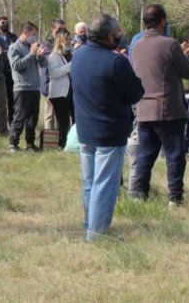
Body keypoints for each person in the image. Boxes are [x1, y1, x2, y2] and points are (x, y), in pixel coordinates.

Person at [73, 14, 144, 242]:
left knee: (90, 183)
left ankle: (89, 226)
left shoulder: (79, 55)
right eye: (117, 33)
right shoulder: (116, 61)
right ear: (108, 36)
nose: (119, 36)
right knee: (104, 185)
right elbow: (136, 93)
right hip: (110, 132)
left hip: (85, 130)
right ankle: (97, 234)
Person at [131, 4, 189, 206]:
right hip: (168, 110)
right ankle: (175, 198)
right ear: (163, 21)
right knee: (175, 156)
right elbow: (188, 71)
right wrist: (186, 55)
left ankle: (138, 195)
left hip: (144, 109)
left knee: (145, 156)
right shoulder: (169, 44)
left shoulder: (136, 45)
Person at [8, 22, 47, 153]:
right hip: (22, 88)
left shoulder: (32, 46)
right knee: (20, 117)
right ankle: (13, 144)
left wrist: (40, 56)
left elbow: (43, 64)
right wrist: (31, 54)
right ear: (25, 33)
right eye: (33, 35)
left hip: (34, 88)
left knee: (32, 119)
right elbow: (16, 66)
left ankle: (30, 144)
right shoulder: (15, 47)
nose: (35, 38)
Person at [48, 29, 75, 148]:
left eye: (70, 38)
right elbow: (55, 73)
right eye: (66, 39)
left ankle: (74, 143)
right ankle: (62, 144)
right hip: (60, 94)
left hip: (73, 92)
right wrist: (71, 65)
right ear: (60, 41)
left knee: (76, 119)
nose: (69, 41)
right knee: (63, 122)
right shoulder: (54, 56)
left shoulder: (73, 53)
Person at [41, 18, 66, 131]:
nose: (62, 32)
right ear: (53, 29)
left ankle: (60, 138)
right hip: (49, 82)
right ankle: (49, 140)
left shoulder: (64, 42)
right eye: (59, 29)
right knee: (49, 114)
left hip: (62, 83)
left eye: (64, 30)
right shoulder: (46, 44)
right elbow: (48, 61)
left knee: (61, 114)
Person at [0, 16, 18, 123]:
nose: (5, 24)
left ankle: (11, 121)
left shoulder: (13, 37)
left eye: (7, 22)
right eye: (2, 22)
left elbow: (16, 50)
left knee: (11, 98)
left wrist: (4, 52)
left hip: (10, 71)